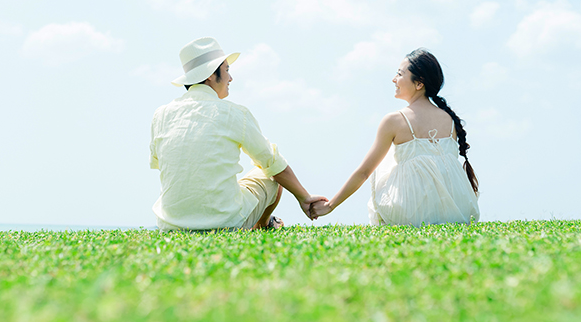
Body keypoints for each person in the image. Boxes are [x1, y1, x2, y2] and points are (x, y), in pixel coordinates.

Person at [149, 37, 326, 231]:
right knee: (267, 173)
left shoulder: (161, 114)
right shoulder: (234, 113)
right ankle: (263, 225)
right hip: (224, 223)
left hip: (170, 226)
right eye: (226, 70)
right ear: (210, 74)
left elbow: (161, 164)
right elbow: (274, 164)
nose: (230, 78)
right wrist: (304, 198)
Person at [311, 49, 479, 226]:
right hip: (458, 212)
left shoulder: (394, 120)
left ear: (419, 83)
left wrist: (330, 205)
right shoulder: (450, 119)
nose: (394, 79)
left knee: (385, 167)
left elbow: (363, 172)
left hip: (410, 213)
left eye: (399, 74)